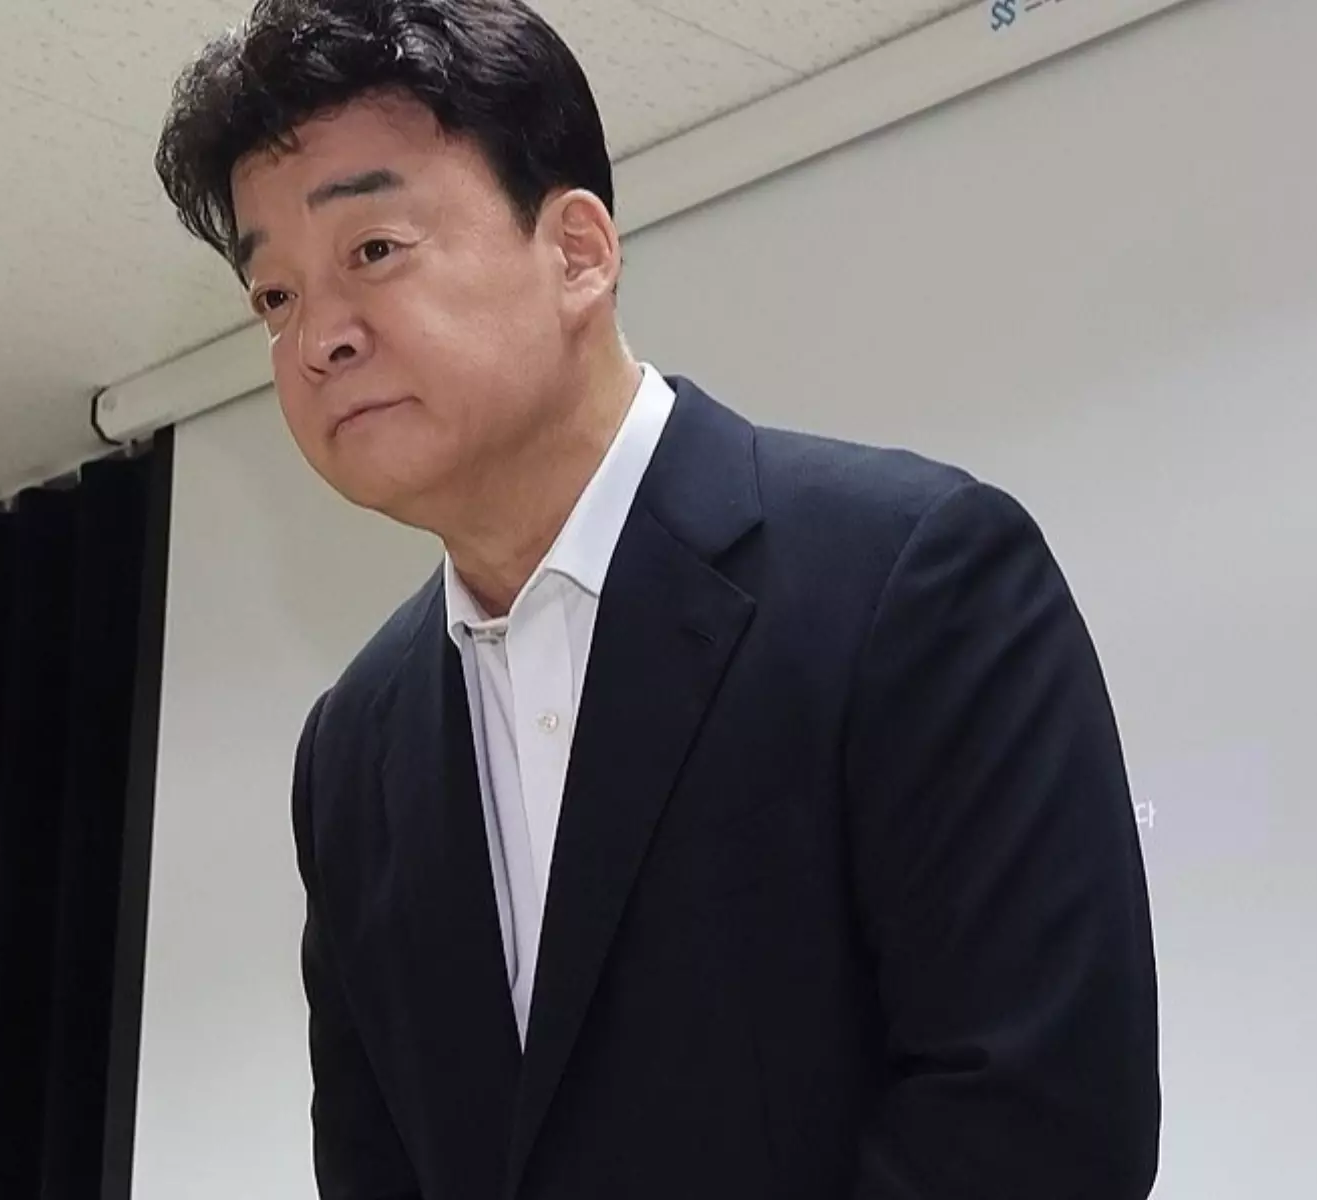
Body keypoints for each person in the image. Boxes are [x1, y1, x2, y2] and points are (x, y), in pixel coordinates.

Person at [155, 1, 1161, 1196]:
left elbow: (1038, 1122)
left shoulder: (910, 575)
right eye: (274, 298)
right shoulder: (351, 749)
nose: (317, 336)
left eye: (372, 249)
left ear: (578, 252)